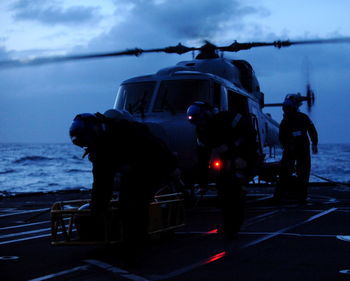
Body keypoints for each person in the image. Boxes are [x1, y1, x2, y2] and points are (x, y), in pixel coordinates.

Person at [69, 109, 178, 262]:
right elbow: (101, 185)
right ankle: (126, 241)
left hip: (155, 164)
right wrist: (96, 212)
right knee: (122, 199)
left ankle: (133, 249)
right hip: (133, 167)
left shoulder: (128, 133)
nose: (89, 147)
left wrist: (171, 168)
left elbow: (156, 152)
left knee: (133, 205)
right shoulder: (99, 147)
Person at [187, 101, 259, 238]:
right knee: (224, 192)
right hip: (228, 161)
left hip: (244, 158)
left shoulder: (228, 119)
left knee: (236, 193)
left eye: (200, 121)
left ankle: (233, 226)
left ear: (207, 115)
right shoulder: (202, 133)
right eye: (196, 123)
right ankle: (228, 225)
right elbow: (202, 157)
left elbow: (250, 134)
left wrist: (243, 157)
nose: (200, 125)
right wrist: (202, 183)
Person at [274, 94, 318, 204]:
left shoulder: (290, 120)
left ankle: (282, 195)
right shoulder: (301, 118)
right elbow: (312, 131)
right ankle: (298, 195)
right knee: (299, 171)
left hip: (296, 148)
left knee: (289, 171)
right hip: (297, 148)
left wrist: (314, 143)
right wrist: (314, 144)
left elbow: (282, 136)